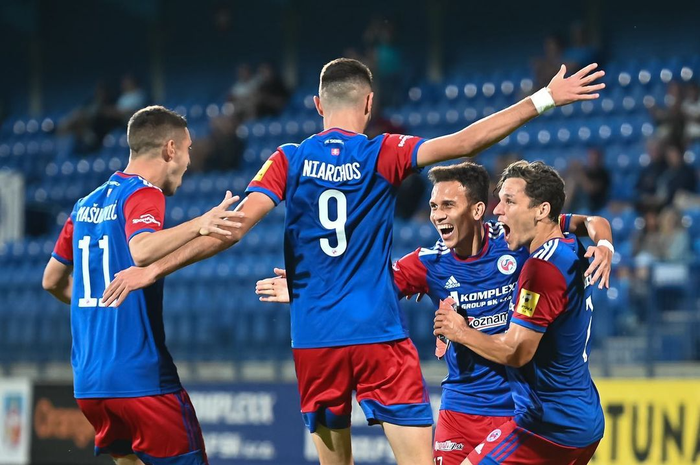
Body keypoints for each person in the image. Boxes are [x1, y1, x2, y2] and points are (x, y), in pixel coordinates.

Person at [101, 58, 605, 465]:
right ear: (369, 103)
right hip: (377, 336)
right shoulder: (382, 151)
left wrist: (154, 267)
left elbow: (231, 230)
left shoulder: (287, 159)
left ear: (318, 104)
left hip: (315, 339)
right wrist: (544, 98)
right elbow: (466, 142)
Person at [255, 161, 613, 465]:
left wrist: (604, 244)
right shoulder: (430, 263)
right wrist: (311, 291)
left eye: (447, 205)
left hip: (517, 409)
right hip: (461, 406)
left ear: (476, 210)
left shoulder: (517, 240)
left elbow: (589, 221)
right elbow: (368, 287)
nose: (438, 215)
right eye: (433, 206)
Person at [41, 105, 243, 465]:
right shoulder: (144, 193)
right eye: (188, 149)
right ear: (170, 149)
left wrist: (93, 302)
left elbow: (51, 280)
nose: (188, 160)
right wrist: (202, 221)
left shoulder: (84, 204)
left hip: (90, 384)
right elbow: (142, 250)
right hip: (142, 381)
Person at [434, 160, 605, 464]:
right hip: (583, 419)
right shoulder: (567, 242)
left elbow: (516, 351)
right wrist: (605, 244)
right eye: (499, 200)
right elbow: (591, 220)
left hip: (548, 427)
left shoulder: (540, 269)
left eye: (509, 201)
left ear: (541, 210)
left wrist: (459, 331)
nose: (497, 210)